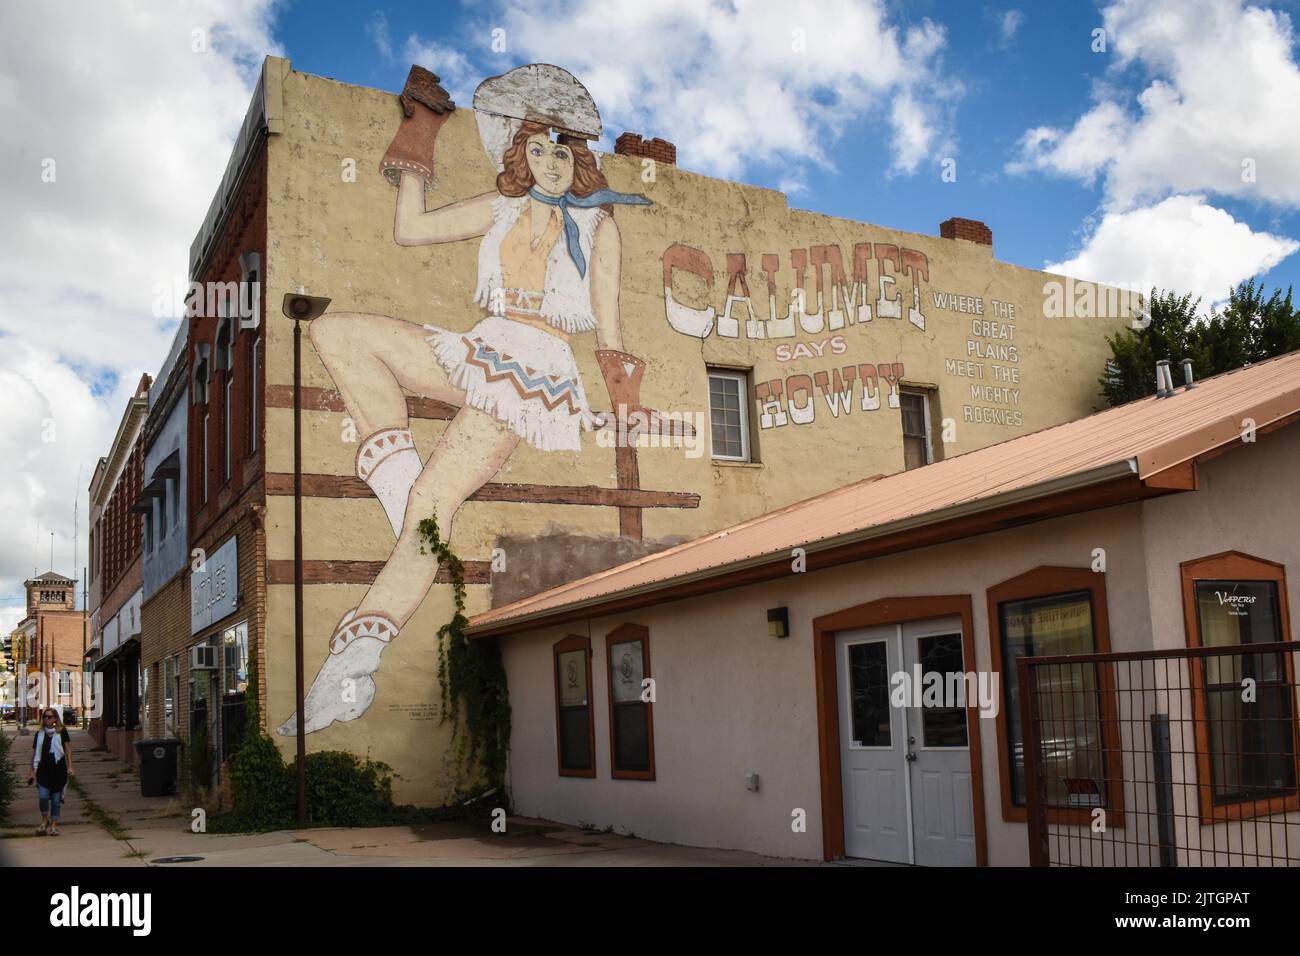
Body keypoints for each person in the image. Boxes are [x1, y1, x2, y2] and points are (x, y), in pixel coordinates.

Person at [279, 70, 663, 736]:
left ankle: (354, 666)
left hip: (533, 372)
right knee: (339, 333)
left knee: (435, 506)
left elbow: (611, 327)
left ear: (578, 158)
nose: (550, 162)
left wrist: (625, 399)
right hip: (481, 347)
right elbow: (410, 231)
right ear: (516, 154)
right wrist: (419, 137)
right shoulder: (501, 205)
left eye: (562, 150)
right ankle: (409, 510)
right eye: (536, 150)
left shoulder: (600, 224)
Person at [28, 708, 73, 836]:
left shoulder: (61, 732)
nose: (47, 719)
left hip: (58, 771)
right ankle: (44, 820)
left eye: (49, 716)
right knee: (42, 797)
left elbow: (68, 749)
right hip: (43, 771)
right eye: (45, 717)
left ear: (55, 718)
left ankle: (54, 825)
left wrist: (70, 766)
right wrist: (31, 771)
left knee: (55, 801)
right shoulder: (39, 734)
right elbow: (34, 753)